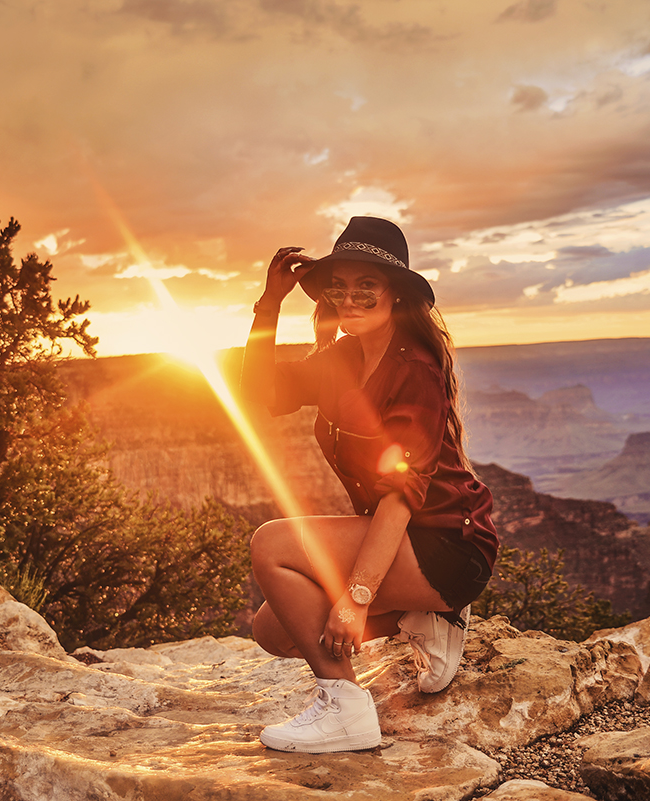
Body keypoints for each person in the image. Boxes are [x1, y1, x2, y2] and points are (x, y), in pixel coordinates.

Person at [241, 216, 500, 754]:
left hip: (448, 544)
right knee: (275, 631)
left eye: (367, 287)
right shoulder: (341, 359)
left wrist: (356, 598)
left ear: (397, 296)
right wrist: (269, 306)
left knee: (270, 543)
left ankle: (345, 710)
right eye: (338, 286)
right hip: (395, 537)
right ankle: (420, 615)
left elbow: (400, 495)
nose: (350, 298)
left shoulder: (414, 370)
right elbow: (260, 393)